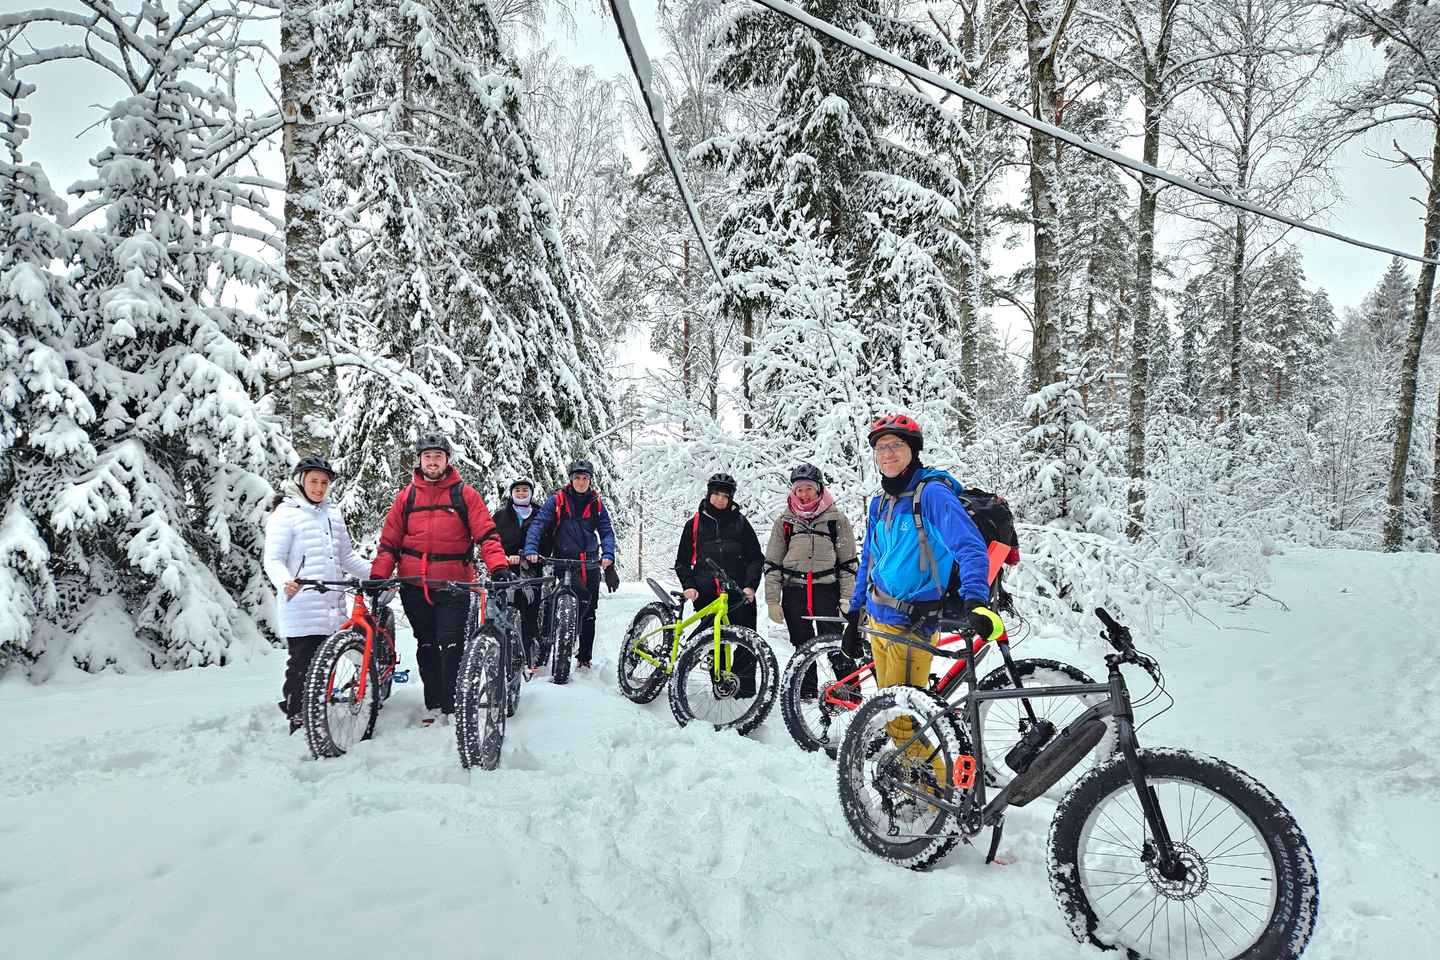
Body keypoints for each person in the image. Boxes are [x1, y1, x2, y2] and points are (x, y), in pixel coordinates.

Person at [842, 414, 1002, 785]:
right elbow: (870, 558)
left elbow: (970, 547)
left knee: (902, 718)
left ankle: (940, 796)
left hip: (912, 622)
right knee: (900, 711)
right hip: (879, 618)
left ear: (913, 450)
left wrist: (975, 598)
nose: (888, 453)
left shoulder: (931, 494)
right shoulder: (881, 502)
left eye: (896, 445)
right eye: (881, 447)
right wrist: (854, 613)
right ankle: (922, 785)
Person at [370, 434, 511, 726]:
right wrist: (378, 576)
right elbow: (389, 543)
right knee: (426, 644)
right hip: (413, 585)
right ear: (419, 460)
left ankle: (452, 704)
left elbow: (486, 534)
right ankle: (433, 702)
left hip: (454, 585)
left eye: (438, 457)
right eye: (427, 457)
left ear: (447, 460)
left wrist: (498, 566)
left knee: (450, 644)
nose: (432, 462)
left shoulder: (465, 495)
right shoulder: (406, 497)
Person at [263, 456, 372, 734]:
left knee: (327, 662)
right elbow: (273, 559)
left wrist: (377, 574)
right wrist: (285, 581)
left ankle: (316, 706)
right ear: (301, 481)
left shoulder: (332, 514)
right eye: (314, 481)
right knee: (302, 661)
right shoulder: (285, 514)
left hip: (332, 603)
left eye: (324, 482)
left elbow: (347, 557)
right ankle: (297, 714)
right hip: (301, 600)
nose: (319, 487)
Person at [762, 463, 860, 698]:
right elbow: (773, 563)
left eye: (809, 488)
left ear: (819, 489)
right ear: (793, 492)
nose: (804, 494)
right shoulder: (784, 522)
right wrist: (772, 600)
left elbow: (848, 563)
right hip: (794, 592)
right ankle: (806, 696)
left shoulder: (836, 520)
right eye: (799, 490)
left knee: (836, 644)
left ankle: (852, 695)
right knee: (802, 645)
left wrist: (847, 597)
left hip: (826, 591)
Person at [673, 473, 764, 696]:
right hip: (705, 592)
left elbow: (755, 558)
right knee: (713, 641)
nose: (721, 500)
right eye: (716, 494)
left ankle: (743, 692)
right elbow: (682, 562)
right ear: (709, 494)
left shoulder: (741, 523)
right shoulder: (693, 524)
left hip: (738, 590)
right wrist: (689, 586)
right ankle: (716, 685)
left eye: (725, 496)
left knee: (745, 640)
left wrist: (750, 586)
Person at [523, 459, 616, 670]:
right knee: (551, 604)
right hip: (563, 560)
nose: (581, 482)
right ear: (571, 479)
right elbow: (539, 524)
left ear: (590, 481)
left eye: (585, 479)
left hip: (590, 562)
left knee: (590, 609)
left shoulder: (596, 503)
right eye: (577, 478)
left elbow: (606, 531)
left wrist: (608, 554)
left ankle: (584, 657)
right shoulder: (558, 500)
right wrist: (531, 549)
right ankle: (545, 650)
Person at [493, 478, 544, 668]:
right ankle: (505, 656)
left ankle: (530, 656)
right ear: (511, 493)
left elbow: (547, 539)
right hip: (506, 570)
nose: (521, 494)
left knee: (530, 614)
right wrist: (504, 557)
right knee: (506, 611)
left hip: (532, 572)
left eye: (525, 490)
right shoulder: (500, 516)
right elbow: (493, 541)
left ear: (530, 494)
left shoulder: (539, 515)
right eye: (518, 490)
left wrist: (537, 555)